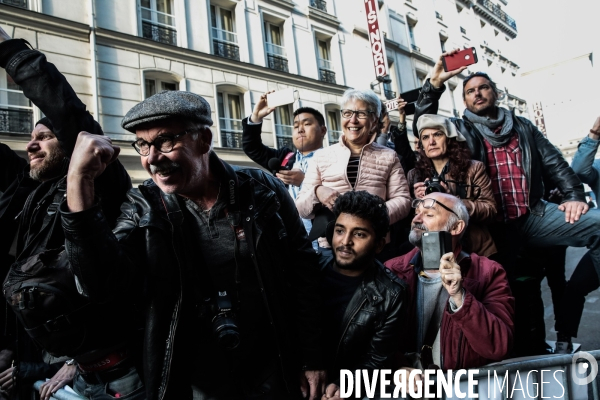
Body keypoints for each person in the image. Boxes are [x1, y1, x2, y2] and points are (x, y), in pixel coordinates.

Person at [60, 90, 327, 399]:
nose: (152, 158)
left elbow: (305, 273)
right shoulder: (143, 206)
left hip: (274, 365)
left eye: (165, 141)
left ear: (203, 140)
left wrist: (313, 357)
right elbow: (99, 285)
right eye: (143, 145)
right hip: (193, 381)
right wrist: (78, 182)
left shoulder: (261, 189)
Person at [0, 31, 139, 399]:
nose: (31, 144)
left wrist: (9, 52)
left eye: (44, 136)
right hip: (70, 369)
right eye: (31, 137)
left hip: (121, 376)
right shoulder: (34, 193)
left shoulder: (100, 180)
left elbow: (68, 113)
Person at [413, 49, 600, 289]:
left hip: (534, 214)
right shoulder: (460, 130)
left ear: (496, 93)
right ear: (465, 101)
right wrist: (435, 83)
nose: (477, 93)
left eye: (483, 88)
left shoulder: (523, 126)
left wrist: (574, 195)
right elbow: (424, 123)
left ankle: (581, 288)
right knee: (510, 293)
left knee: (596, 224)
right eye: (470, 91)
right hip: (491, 226)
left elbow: (555, 163)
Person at [385, 193, 514, 370]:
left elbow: (498, 347)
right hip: (407, 389)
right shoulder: (392, 270)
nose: (416, 219)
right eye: (416, 212)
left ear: (456, 227)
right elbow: (375, 340)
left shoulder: (488, 272)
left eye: (429, 214)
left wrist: (460, 297)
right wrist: (399, 368)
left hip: (460, 390)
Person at [296, 88, 411, 255]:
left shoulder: (389, 156)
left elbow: (403, 201)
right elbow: (301, 208)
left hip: (374, 245)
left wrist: (372, 216)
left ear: (374, 120)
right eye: (347, 113)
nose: (353, 120)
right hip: (331, 246)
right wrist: (317, 191)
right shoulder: (322, 156)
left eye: (362, 114)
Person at [318, 191, 406, 400]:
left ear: (379, 244)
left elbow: (376, 359)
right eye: (340, 230)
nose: (345, 241)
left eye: (359, 234)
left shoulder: (392, 293)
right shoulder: (310, 269)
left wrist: (343, 388)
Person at [242, 93, 327, 250]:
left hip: (321, 243)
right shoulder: (285, 158)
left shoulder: (333, 158)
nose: (300, 129)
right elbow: (251, 147)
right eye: (295, 126)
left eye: (307, 124)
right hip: (289, 241)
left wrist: (305, 181)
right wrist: (256, 117)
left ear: (323, 130)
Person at [409, 114, 497, 257]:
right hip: (432, 249)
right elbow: (411, 221)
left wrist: (453, 200)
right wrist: (417, 202)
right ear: (422, 145)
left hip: (474, 248)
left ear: (449, 139)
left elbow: (490, 210)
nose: (431, 142)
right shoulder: (414, 175)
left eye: (437, 134)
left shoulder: (474, 168)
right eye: (425, 137)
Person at [552, 117, 600, 353]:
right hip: (599, 245)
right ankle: (564, 340)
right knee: (574, 289)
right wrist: (594, 134)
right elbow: (579, 171)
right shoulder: (598, 167)